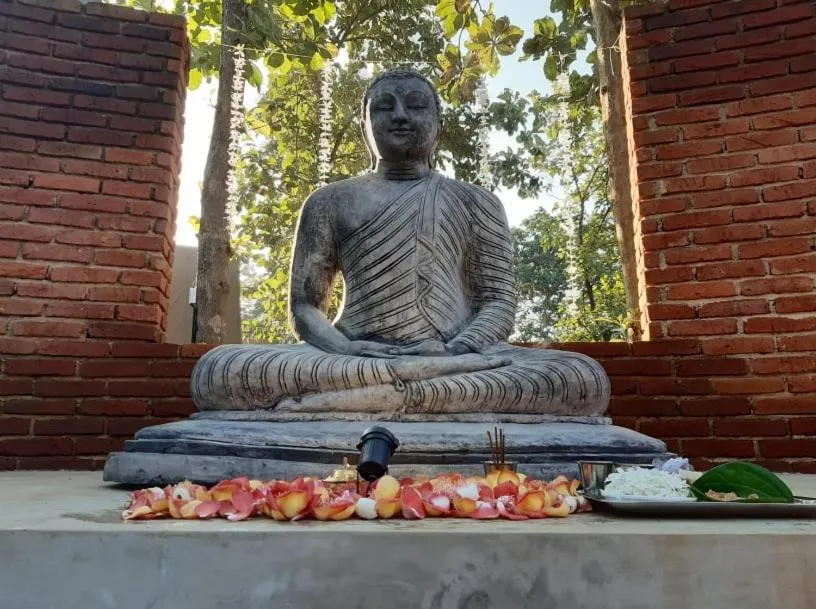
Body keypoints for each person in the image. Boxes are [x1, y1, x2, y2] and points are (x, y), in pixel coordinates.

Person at [191, 67, 610, 416]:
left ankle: (347, 403)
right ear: (365, 125)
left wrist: (455, 350)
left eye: (415, 105)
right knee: (221, 370)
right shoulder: (330, 201)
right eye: (384, 107)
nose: (400, 116)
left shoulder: (475, 201)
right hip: (350, 356)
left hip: (457, 359)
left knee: (579, 377)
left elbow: (499, 301)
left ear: (438, 123)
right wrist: (348, 350)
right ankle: (406, 397)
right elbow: (304, 306)